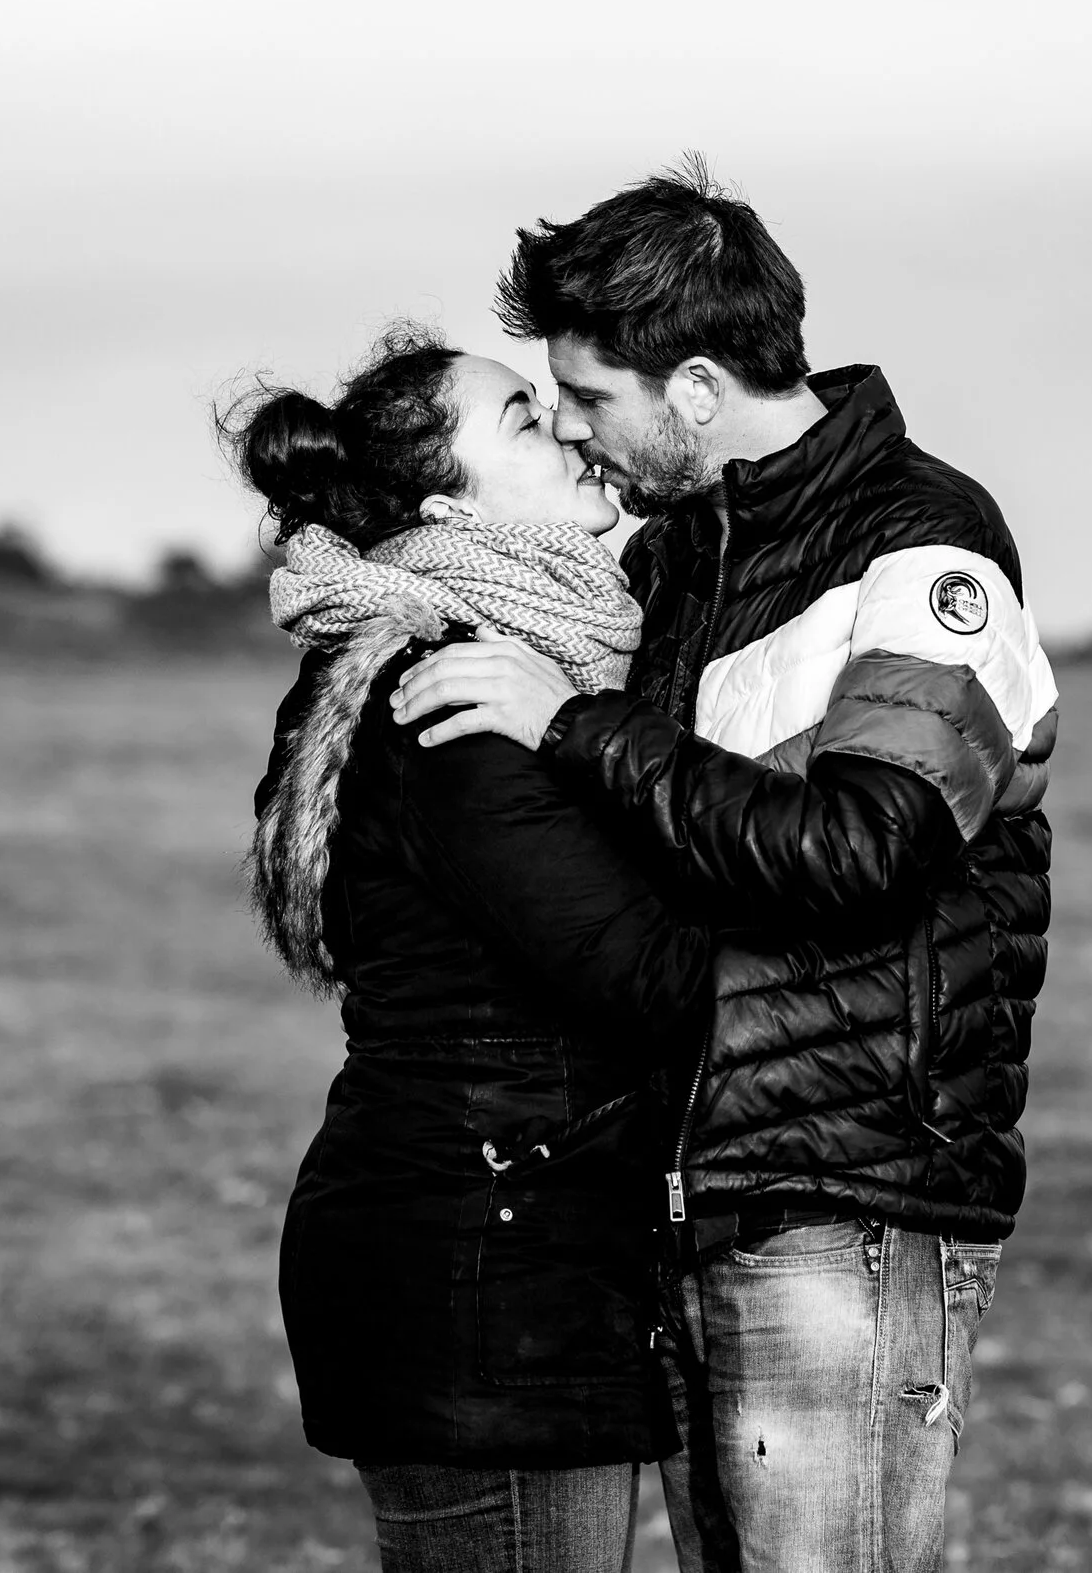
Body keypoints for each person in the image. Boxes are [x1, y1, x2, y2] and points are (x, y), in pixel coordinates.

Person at [389, 161, 1058, 1573]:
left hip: (852, 1198)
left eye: (587, 396)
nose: (569, 431)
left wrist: (571, 727)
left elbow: (867, 851)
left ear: (693, 387)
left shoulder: (924, 547)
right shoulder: (681, 559)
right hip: (697, 1187)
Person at [228, 322, 709, 1573]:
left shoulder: (476, 663)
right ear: (448, 498)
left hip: (495, 1245)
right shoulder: (460, 701)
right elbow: (650, 977)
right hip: (487, 1270)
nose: (560, 423)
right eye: (517, 418)